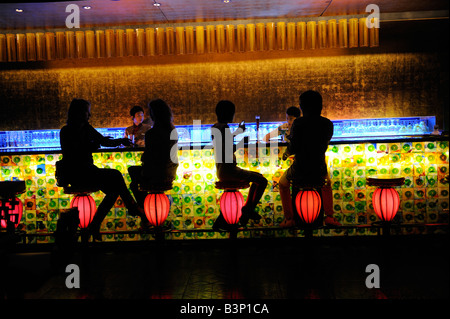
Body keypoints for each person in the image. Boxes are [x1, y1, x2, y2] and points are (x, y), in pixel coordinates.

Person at [58, 98, 148, 240]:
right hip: (80, 174)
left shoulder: (69, 130)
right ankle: (130, 208)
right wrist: (93, 145)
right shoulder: (75, 130)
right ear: (80, 113)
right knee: (116, 176)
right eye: (87, 112)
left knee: (114, 191)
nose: (89, 115)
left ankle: (97, 224)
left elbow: (102, 141)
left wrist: (119, 141)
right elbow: (78, 151)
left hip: (83, 172)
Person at [278, 90, 340, 227]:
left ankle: (289, 219)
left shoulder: (298, 124)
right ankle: (329, 216)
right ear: (320, 106)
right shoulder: (328, 124)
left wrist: (286, 154)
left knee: (282, 184)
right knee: (327, 183)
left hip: (299, 168)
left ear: (302, 107)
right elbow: (324, 143)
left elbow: (293, 147)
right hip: (319, 167)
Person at [211, 100, 268, 229]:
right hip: (230, 171)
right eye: (232, 112)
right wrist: (242, 141)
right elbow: (229, 149)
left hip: (221, 171)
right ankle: (248, 210)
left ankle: (224, 218)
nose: (233, 115)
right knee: (262, 181)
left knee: (257, 178)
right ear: (228, 113)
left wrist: (238, 133)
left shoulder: (215, 127)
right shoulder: (224, 127)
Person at [128, 99, 179, 208]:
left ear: (153, 114)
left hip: (156, 174)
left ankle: (145, 209)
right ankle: (148, 209)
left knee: (132, 175)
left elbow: (148, 158)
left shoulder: (151, 133)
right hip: (170, 172)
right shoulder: (172, 129)